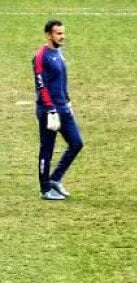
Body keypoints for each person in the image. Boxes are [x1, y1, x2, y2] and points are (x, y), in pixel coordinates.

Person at [33, 19, 83, 201]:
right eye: (58, 33)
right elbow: (41, 85)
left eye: (63, 33)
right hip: (49, 111)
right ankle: (45, 189)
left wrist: (67, 102)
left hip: (63, 107)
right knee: (47, 148)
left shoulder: (58, 52)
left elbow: (61, 81)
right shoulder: (41, 56)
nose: (63, 36)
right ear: (48, 35)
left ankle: (55, 178)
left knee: (77, 143)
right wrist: (51, 110)